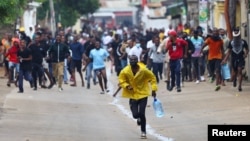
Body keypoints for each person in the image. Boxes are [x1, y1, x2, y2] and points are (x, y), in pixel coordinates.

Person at [117, 55, 157, 139]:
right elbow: (121, 81)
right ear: (129, 61)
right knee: (135, 115)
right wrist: (127, 86)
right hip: (133, 95)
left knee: (142, 113)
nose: (133, 61)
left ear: (137, 60)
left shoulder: (143, 70)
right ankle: (138, 118)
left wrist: (153, 89)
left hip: (143, 94)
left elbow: (152, 78)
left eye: (134, 59)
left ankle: (143, 131)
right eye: (131, 60)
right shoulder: (125, 71)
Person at [222, 27, 249, 91]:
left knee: (240, 70)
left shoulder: (243, 42)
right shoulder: (231, 42)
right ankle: (234, 79)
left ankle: (239, 86)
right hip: (233, 58)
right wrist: (225, 59)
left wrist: (246, 54)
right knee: (234, 73)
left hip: (241, 58)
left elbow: (247, 49)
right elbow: (229, 52)